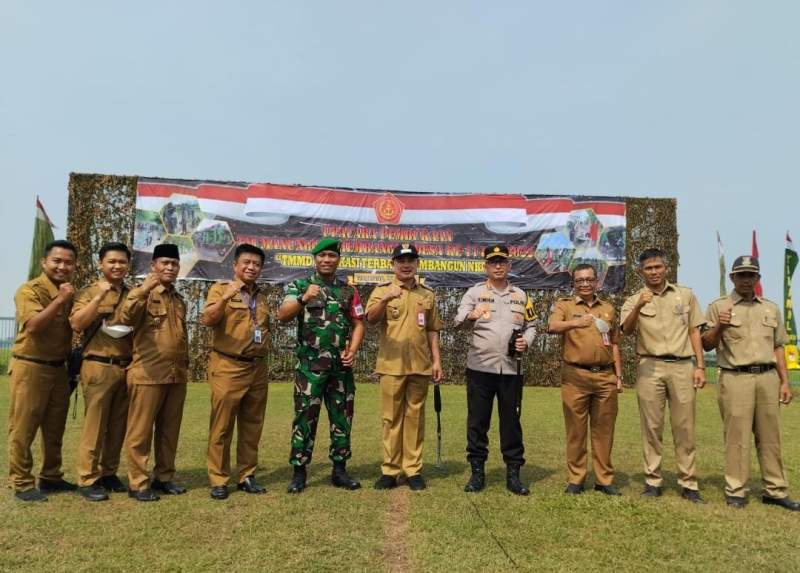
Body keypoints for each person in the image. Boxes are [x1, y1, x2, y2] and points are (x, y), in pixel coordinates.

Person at [702, 256, 800, 510]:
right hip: (736, 377)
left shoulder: (770, 308)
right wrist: (720, 327)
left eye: (751, 275)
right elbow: (706, 343)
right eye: (741, 275)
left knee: (770, 437)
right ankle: (736, 490)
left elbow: (778, 347)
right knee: (737, 437)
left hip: (768, 377)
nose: (746, 280)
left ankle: (775, 490)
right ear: (732, 278)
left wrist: (785, 382)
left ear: (758, 279)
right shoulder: (718, 306)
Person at [277, 237, 365, 494]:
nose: (327, 260)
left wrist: (354, 351)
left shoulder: (348, 290)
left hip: (341, 368)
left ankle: (340, 470)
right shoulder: (301, 285)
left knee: (342, 417)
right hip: (310, 368)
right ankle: (299, 472)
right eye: (322, 256)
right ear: (314, 258)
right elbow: (283, 315)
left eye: (332, 256)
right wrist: (304, 298)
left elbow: (359, 323)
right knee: (305, 418)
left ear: (338, 259)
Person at [621, 248, 706, 503]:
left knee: (685, 427)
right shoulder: (634, 299)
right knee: (651, 426)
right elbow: (626, 329)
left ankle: (689, 482)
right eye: (648, 268)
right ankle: (652, 480)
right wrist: (639, 306)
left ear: (666, 268)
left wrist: (700, 366)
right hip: (650, 366)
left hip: (682, 366)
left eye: (658, 267)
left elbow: (694, 332)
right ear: (641, 271)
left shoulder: (685, 295)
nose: (654, 272)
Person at [454, 244, 536, 495]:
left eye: (502, 262)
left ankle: (513, 473)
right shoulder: (474, 293)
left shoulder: (521, 295)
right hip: (480, 368)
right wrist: (471, 316)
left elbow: (532, 325)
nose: (498, 266)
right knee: (478, 422)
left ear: (509, 265)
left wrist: (527, 341)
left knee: (511, 423)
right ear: (485, 267)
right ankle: (477, 472)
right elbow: (457, 322)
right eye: (493, 262)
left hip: (512, 370)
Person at [366, 243, 443, 491]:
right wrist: (387, 298)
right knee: (390, 419)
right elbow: (370, 318)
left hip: (420, 365)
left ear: (417, 263)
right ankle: (389, 470)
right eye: (401, 260)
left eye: (411, 260)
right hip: (391, 365)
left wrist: (437, 360)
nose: (406, 264)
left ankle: (412, 470)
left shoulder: (427, 295)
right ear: (393, 264)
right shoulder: (381, 291)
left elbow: (432, 330)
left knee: (415, 418)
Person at [8, 240, 78, 502]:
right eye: (57, 261)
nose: (62, 266)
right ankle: (22, 483)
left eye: (68, 262)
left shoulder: (70, 292)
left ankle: (51, 476)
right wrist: (60, 300)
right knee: (23, 428)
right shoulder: (29, 290)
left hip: (58, 368)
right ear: (44, 262)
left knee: (54, 427)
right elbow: (34, 326)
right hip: (31, 366)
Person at [119, 243, 189, 502]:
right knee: (140, 432)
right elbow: (125, 318)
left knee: (169, 431)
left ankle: (164, 478)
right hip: (147, 373)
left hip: (175, 375)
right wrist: (144, 289)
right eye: (164, 263)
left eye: (174, 264)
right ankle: (138, 482)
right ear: (153, 266)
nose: (169, 268)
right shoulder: (142, 293)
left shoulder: (178, 299)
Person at [201, 244, 270, 500]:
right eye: (247, 262)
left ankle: (246, 475)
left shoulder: (261, 296)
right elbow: (208, 320)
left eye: (257, 264)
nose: (251, 267)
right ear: (235, 265)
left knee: (252, 425)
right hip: (228, 366)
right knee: (222, 426)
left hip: (257, 368)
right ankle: (219, 479)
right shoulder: (220, 289)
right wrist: (227, 295)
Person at [548, 264, 623, 496]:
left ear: (596, 281)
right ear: (574, 282)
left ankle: (604, 479)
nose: (585, 284)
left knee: (604, 431)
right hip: (575, 375)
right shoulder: (565, 305)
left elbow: (615, 343)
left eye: (589, 279)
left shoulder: (608, 308)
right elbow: (552, 326)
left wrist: (618, 376)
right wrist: (575, 323)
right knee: (576, 431)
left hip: (605, 375)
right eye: (579, 280)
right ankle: (576, 478)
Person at [69, 242, 134, 502]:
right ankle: (87, 477)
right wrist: (98, 298)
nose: (117, 266)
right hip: (98, 364)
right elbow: (76, 323)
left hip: (125, 366)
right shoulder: (88, 292)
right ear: (101, 264)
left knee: (118, 425)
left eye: (122, 262)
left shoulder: (133, 294)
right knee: (95, 425)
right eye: (112, 261)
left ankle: (108, 472)